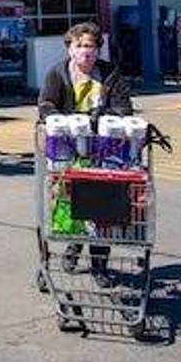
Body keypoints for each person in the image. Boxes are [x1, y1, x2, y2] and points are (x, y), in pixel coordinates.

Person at [37, 22, 133, 286]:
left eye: (90, 46)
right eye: (79, 46)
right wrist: (59, 120)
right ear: (70, 48)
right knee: (69, 201)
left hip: (102, 148)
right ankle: (73, 248)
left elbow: (125, 108)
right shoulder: (57, 73)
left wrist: (101, 117)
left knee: (102, 206)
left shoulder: (109, 73)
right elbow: (45, 104)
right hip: (67, 147)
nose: (85, 51)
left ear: (98, 49)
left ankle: (99, 265)